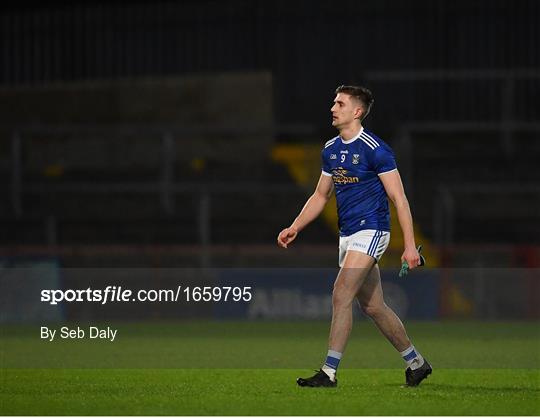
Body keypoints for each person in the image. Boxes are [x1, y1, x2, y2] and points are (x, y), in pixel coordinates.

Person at [277, 85, 432, 387]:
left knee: (341, 293)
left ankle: (329, 372)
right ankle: (416, 363)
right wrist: (295, 226)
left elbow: (399, 198)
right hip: (348, 235)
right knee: (373, 307)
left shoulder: (376, 149)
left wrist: (410, 246)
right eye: (334, 102)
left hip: (372, 229)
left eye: (340, 103)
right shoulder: (331, 149)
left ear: (357, 112)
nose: (333, 108)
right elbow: (321, 196)